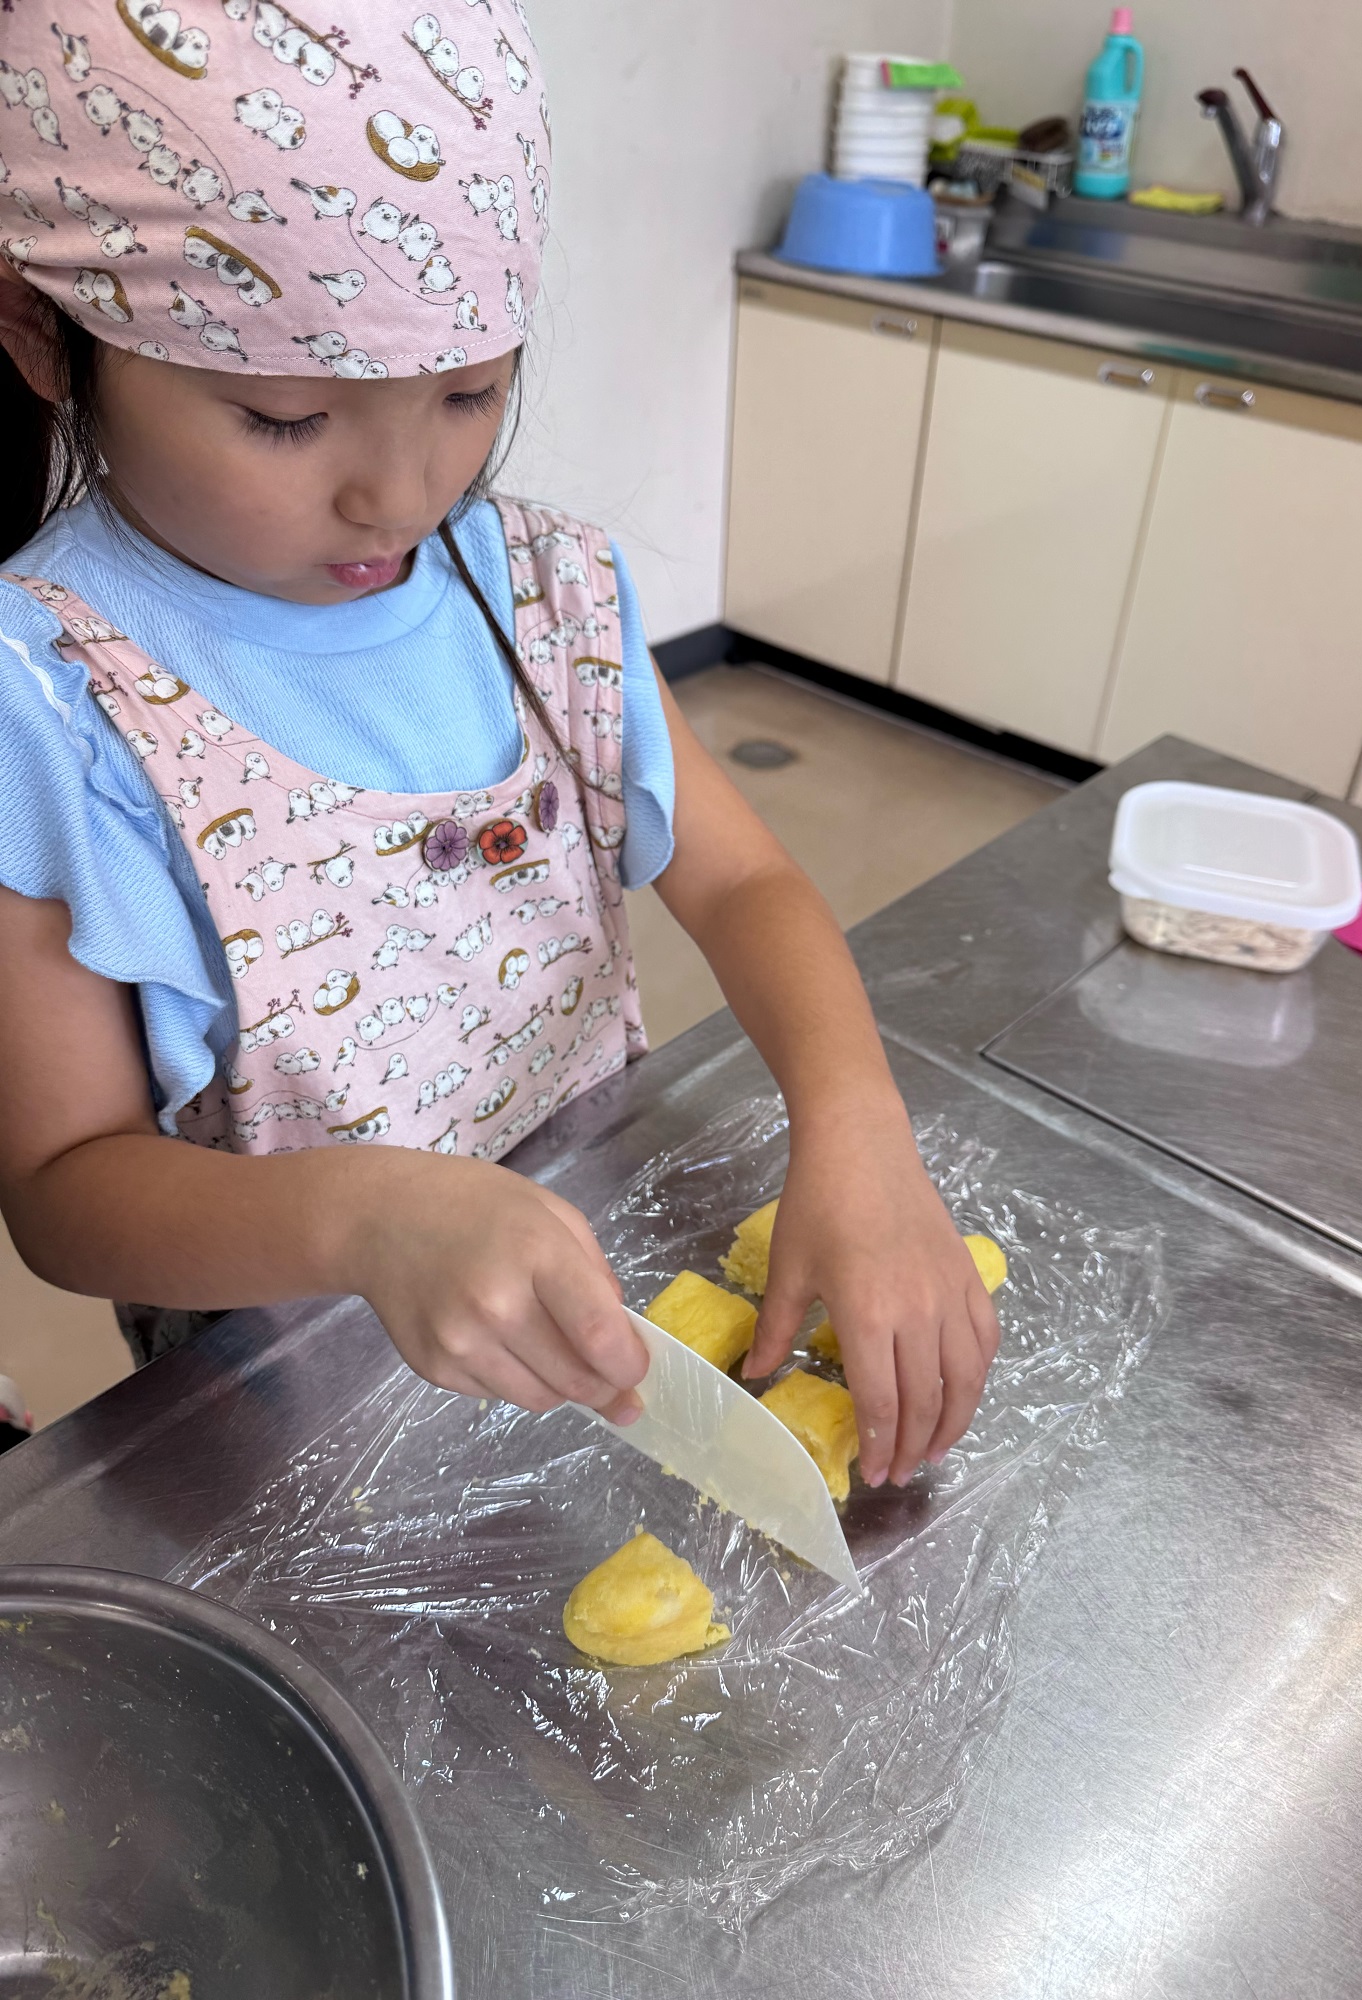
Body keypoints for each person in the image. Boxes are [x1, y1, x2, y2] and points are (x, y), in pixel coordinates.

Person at [0, 0, 997, 1492]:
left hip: (608, 1322)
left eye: (471, 394)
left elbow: (744, 886)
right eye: (284, 418)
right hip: (305, 1408)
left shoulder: (540, 588)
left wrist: (857, 1126)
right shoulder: (49, 688)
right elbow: (66, 1190)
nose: (400, 497)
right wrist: (364, 1218)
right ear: (44, 337)